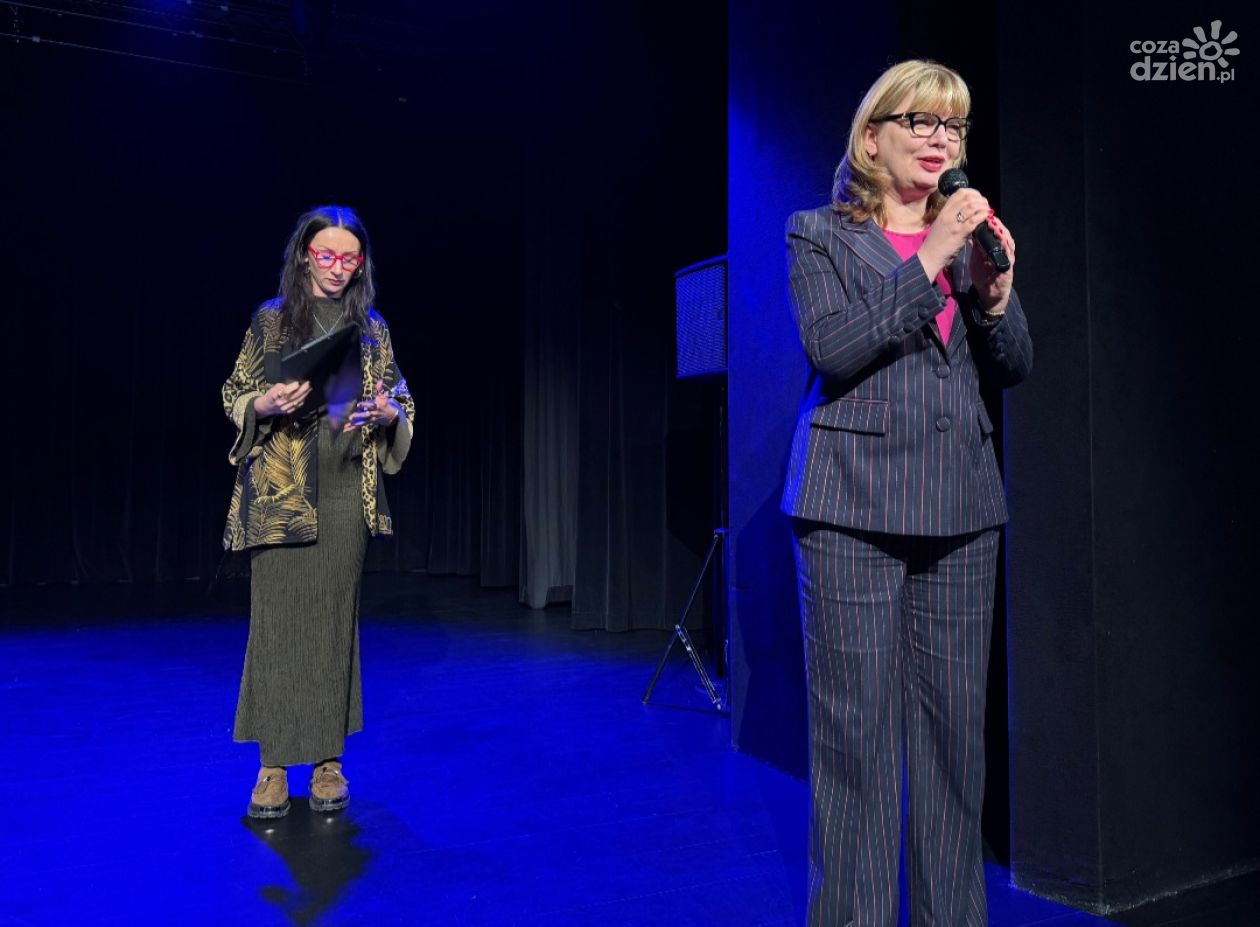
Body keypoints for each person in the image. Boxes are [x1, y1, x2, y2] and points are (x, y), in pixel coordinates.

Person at [782, 60, 1032, 926]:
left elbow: (1016, 364)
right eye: (921, 121)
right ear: (872, 137)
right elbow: (833, 347)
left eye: (953, 126)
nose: (940, 140)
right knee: (854, 744)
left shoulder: (971, 239)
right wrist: (929, 258)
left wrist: (995, 298)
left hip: (961, 507)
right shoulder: (818, 234)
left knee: (954, 747)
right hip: (850, 509)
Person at [221, 205, 415, 819]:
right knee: (278, 628)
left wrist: (390, 413)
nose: (336, 267)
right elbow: (235, 391)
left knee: (333, 626)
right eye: (325, 255)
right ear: (304, 256)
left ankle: (329, 761)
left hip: (345, 490)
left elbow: (399, 395)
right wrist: (265, 403)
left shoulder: (372, 328)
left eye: (349, 258)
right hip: (281, 492)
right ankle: (273, 766)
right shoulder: (271, 320)